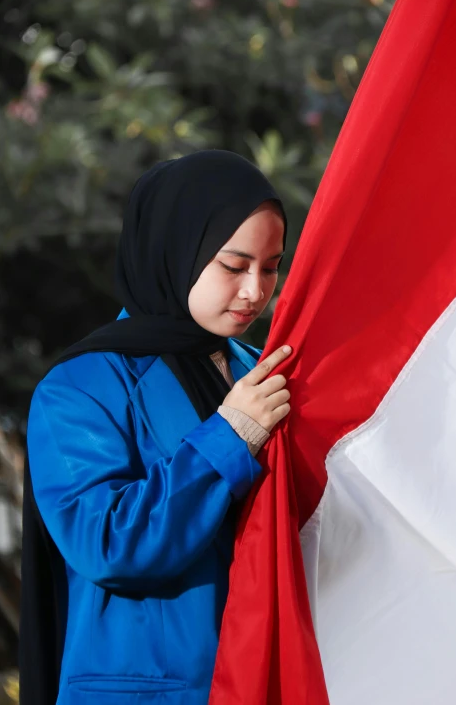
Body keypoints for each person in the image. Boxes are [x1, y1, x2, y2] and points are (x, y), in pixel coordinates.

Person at [20, 150, 292, 705]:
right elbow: (108, 543)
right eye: (233, 265)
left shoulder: (261, 369)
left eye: (270, 266)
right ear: (176, 251)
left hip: (265, 676)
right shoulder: (79, 387)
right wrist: (229, 436)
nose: (255, 291)